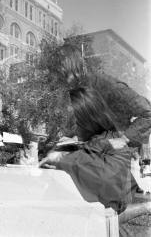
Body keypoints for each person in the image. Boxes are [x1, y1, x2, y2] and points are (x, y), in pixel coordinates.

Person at [39, 87, 151, 236]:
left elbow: (109, 185)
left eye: (73, 118)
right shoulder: (85, 144)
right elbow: (52, 203)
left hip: (119, 227)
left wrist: (62, 160)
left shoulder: (115, 141)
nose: (69, 124)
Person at [56, 43, 151, 150]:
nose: (60, 79)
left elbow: (147, 113)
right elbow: (95, 127)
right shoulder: (79, 92)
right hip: (99, 155)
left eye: (63, 74)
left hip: (121, 157)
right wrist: (76, 138)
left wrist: (123, 139)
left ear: (73, 67)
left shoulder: (107, 84)